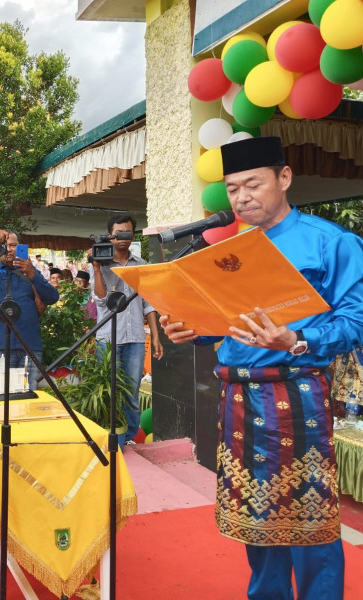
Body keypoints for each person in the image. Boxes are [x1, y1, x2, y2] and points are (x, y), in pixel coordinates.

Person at [160, 136, 363, 600]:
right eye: (232, 189)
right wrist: (198, 329)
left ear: (284, 178)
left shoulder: (331, 243)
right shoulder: (232, 249)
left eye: (252, 184)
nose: (241, 197)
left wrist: (299, 340)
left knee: (308, 522)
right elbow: (230, 324)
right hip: (237, 397)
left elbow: (357, 320)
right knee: (258, 518)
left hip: (297, 396)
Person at [92, 213, 164, 444]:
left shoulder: (140, 265)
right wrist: (95, 268)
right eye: (117, 233)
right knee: (110, 390)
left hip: (134, 337)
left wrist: (154, 336)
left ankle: (131, 438)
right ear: (109, 235)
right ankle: (113, 436)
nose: (122, 238)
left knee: (131, 391)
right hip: (108, 338)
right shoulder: (101, 262)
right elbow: (101, 299)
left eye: (127, 232)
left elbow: (148, 302)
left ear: (133, 234)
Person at [0, 229, 59, 390]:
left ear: (21, 248)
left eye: (13, 245)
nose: (8, 249)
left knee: (29, 396)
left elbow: (52, 297)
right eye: (4, 245)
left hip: (29, 346)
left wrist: (32, 274)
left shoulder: (30, 272)